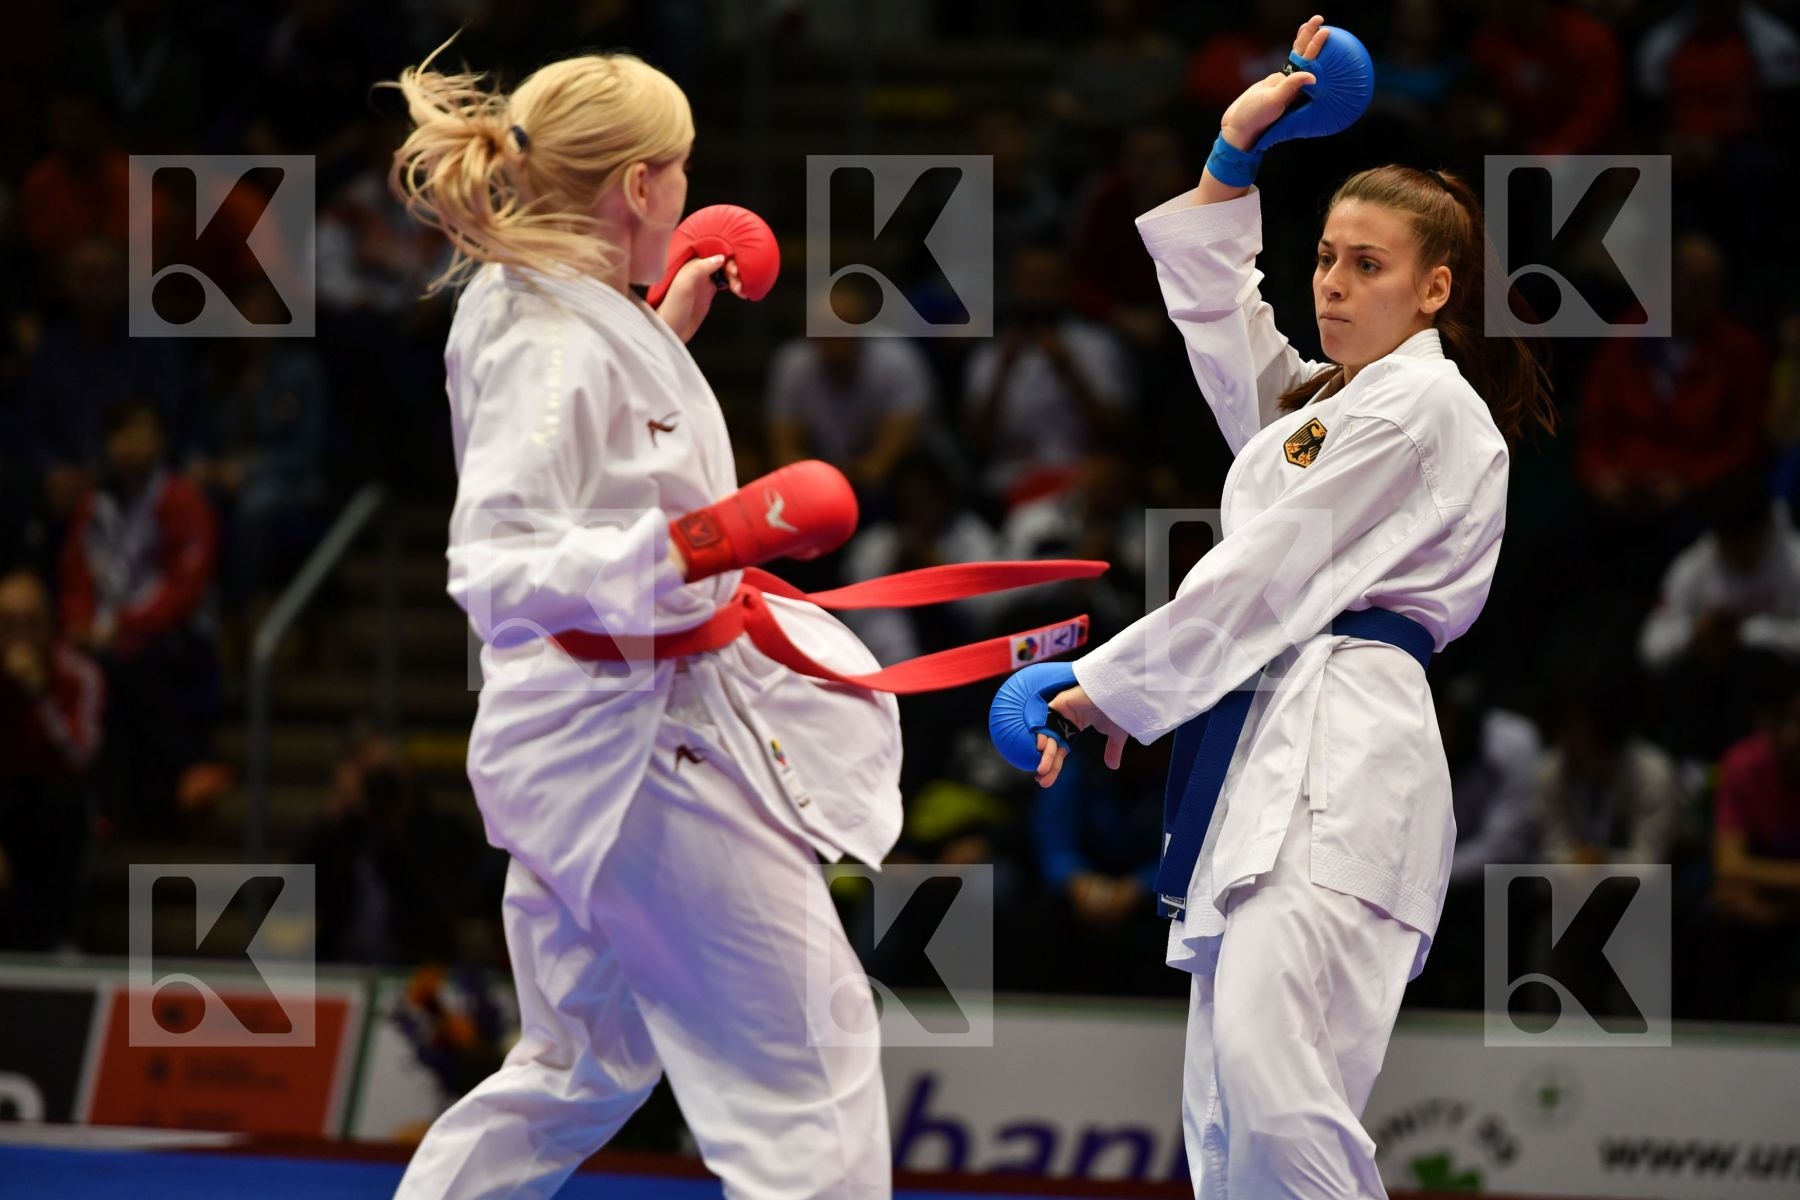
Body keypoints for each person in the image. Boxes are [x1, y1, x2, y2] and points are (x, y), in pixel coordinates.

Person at [1030, 16, 1555, 1197]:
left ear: (1434, 290)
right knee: (1226, 1141)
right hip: (1266, 745)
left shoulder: (1422, 411)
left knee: (1276, 1097)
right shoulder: (1333, 410)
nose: (1330, 282)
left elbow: (1267, 574)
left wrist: (1102, 685)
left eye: (1366, 266)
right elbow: (1228, 338)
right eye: (1324, 257)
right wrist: (1230, 160)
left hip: (1346, 756)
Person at [384, 44, 905, 1199]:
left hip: (592, 737)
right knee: (807, 1073)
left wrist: (664, 322)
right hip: (633, 750)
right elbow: (498, 564)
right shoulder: (554, 336)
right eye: (679, 170)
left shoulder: (558, 304)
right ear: (639, 187)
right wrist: (701, 542)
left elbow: (597, 453)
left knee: (579, 1063)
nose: (685, 190)